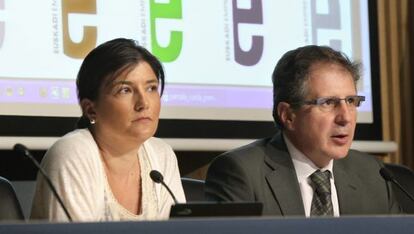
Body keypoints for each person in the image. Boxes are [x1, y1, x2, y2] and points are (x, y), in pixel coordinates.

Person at [205, 45, 400, 216]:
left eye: (351, 101)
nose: (346, 117)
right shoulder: (242, 174)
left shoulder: (372, 174)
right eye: (328, 103)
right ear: (288, 115)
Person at [31, 38, 185, 221]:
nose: (144, 103)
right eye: (125, 90)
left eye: (151, 88)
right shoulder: (73, 154)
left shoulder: (161, 156)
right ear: (91, 109)